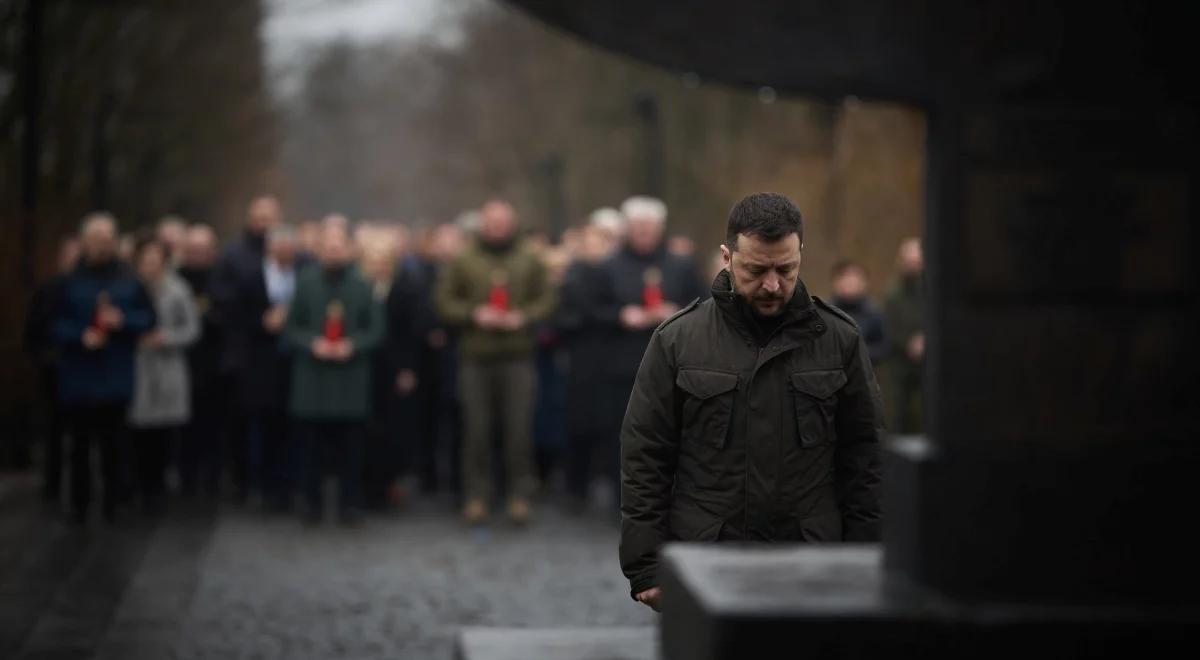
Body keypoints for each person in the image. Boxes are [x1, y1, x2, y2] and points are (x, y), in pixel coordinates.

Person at [619, 193, 884, 611]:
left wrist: (867, 559)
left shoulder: (839, 340)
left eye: (786, 269)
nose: (772, 285)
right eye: (756, 270)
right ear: (727, 257)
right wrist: (646, 565)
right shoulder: (677, 340)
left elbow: (865, 458)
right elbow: (645, 456)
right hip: (708, 558)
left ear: (801, 255)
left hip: (811, 560)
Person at [434, 200, 557, 525]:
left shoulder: (530, 258)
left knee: (519, 430)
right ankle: (476, 496)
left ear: (512, 224)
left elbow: (548, 299)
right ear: (482, 225)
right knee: (476, 430)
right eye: (492, 222)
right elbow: (444, 301)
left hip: (518, 356)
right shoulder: (463, 258)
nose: (498, 228)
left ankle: (519, 496)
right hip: (476, 357)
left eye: (503, 222)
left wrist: (524, 316)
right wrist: (474, 314)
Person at [598, 196, 706, 503]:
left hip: (673, 363)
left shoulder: (681, 265)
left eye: (650, 227)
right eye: (638, 227)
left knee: (672, 431)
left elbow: (704, 303)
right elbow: (591, 312)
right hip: (623, 364)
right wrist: (621, 315)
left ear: (660, 229)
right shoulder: (608, 266)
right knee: (623, 431)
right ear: (628, 229)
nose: (644, 232)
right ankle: (626, 495)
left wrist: (677, 311)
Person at [51, 213, 156, 523]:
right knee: (79, 445)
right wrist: (79, 335)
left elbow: (148, 320)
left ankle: (114, 502)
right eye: (95, 240)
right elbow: (52, 324)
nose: (101, 245)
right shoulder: (67, 282)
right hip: (79, 376)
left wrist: (123, 323)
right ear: (85, 242)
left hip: (115, 375)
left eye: (107, 239)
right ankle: (79, 503)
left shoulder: (130, 281)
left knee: (115, 444)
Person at [285, 221, 383, 525]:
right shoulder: (305, 282)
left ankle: (350, 504)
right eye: (328, 246)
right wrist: (311, 342)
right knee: (311, 448)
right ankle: (311, 503)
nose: (334, 251)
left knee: (351, 449)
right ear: (319, 249)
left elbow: (377, 329)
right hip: (313, 379)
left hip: (349, 379)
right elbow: (291, 327)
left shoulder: (363, 285)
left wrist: (352, 345)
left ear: (350, 249)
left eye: (339, 246)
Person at [211, 195, 282, 502]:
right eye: (259, 217)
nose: (263, 223)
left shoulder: (284, 252)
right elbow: (222, 299)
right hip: (244, 351)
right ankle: (240, 479)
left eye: (269, 218)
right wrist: (257, 318)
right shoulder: (233, 255)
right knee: (240, 421)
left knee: (275, 422)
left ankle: (271, 482)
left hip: (278, 353)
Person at [127, 238, 200, 515]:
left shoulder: (178, 289)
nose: (150, 265)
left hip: (168, 367)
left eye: (155, 259)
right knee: (137, 431)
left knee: (165, 433)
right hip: (138, 366)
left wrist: (166, 338)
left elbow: (192, 329)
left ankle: (160, 487)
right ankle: (137, 485)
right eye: (145, 260)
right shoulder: (129, 288)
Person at [557, 213, 624, 511]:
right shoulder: (574, 275)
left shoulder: (616, 273)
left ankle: (611, 487)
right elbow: (565, 317)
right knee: (579, 424)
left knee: (612, 426)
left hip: (610, 357)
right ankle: (576, 487)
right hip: (582, 358)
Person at [24, 237, 80, 504]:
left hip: (85, 369)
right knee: (55, 429)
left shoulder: (92, 288)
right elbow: (35, 329)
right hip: (55, 368)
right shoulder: (49, 289)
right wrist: (43, 358)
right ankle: (53, 483)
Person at [177, 224, 224, 498]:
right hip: (184, 363)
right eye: (192, 250)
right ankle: (187, 477)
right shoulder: (177, 279)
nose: (198, 256)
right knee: (186, 427)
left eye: (203, 250)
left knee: (214, 426)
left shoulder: (220, 279)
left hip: (214, 364)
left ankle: (213, 477)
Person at [884, 237, 925, 434]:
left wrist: (925, 341)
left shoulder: (932, 292)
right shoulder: (893, 294)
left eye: (916, 262)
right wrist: (909, 343)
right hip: (901, 361)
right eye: (909, 262)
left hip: (929, 361)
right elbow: (890, 327)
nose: (913, 266)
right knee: (900, 413)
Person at [829, 260, 887, 366]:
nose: (850, 283)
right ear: (836, 283)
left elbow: (883, 348)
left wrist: (858, 354)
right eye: (845, 278)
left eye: (854, 279)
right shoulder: (825, 313)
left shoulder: (874, 314)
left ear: (864, 284)